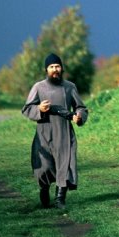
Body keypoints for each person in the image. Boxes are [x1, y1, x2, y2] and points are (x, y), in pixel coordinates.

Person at [22, 53, 89, 210]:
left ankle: (60, 199)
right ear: (46, 69)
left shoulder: (69, 87)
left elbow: (81, 107)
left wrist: (79, 116)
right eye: (51, 67)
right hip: (44, 132)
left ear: (62, 68)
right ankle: (44, 189)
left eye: (57, 66)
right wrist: (39, 108)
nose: (55, 69)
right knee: (43, 167)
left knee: (64, 164)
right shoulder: (38, 87)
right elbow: (26, 108)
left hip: (64, 132)